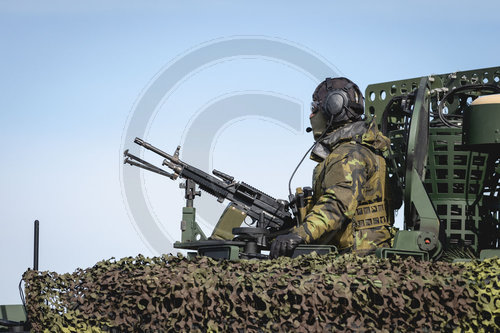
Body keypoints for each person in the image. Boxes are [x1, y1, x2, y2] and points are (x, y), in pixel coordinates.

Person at [270, 77, 394, 258]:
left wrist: (299, 235)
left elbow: (336, 205)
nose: (311, 115)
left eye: (315, 108)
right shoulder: (363, 149)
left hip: (357, 258)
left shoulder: (349, 154)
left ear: (334, 107)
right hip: (365, 252)